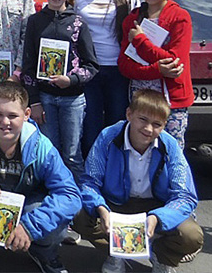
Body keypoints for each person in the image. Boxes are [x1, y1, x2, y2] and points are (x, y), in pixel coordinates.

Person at [0, 82, 81, 273]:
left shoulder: (42, 147)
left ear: (26, 114)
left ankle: (44, 251)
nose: (5, 122)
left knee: (56, 226)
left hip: (29, 206)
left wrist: (30, 226)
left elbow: (69, 194)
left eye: (12, 116)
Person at [75, 89, 203, 273]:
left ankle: (160, 256)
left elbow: (185, 196)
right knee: (78, 214)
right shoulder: (108, 137)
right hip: (115, 205)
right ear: (129, 114)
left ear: (164, 125)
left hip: (155, 207)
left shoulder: (170, 146)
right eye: (143, 119)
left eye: (157, 124)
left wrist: (158, 218)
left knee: (191, 235)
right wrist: (101, 208)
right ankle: (115, 253)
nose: (148, 129)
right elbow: (89, 182)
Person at [21, 0, 99, 181]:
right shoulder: (35, 22)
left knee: (72, 154)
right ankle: (53, 192)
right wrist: (34, 101)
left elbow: (92, 65)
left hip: (72, 99)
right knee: (49, 150)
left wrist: (71, 80)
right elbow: (28, 64)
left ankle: (79, 194)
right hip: (45, 98)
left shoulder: (78, 23)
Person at [74, 0, 141, 156]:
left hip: (118, 70)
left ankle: (115, 169)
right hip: (88, 70)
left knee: (118, 125)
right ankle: (91, 171)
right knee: (90, 127)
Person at [118, 0, 193, 149]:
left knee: (171, 150)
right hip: (141, 100)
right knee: (141, 149)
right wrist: (157, 70)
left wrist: (140, 40)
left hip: (171, 101)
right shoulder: (133, 19)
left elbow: (173, 61)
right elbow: (125, 66)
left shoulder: (179, 17)